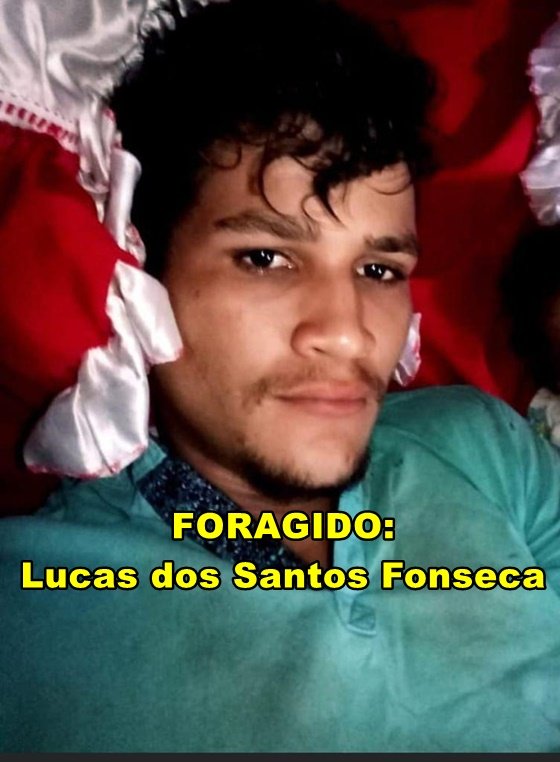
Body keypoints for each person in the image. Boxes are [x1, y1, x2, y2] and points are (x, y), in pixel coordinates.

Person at [1, 0, 560, 752]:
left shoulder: (486, 447)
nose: (347, 330)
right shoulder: (27, 614)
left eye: (378, 268)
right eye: (265, 258)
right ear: (139, 271)